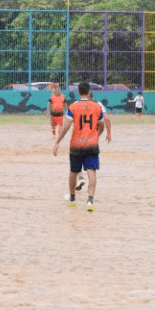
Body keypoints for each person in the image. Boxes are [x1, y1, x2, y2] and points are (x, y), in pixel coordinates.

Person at [53, 82, 105, 212]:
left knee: (74, 171)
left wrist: (57, 142)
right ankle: (90, 201)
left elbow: (66, 126)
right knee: (91, 171)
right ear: (89, 92)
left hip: (76, 144)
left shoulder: (73, 107)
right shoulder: (97, 107)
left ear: (78, 92)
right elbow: (102, 125)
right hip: (92, 144)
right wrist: (97, 135)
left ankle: (72, 199)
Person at [76, 94, 112, 191]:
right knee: (91, 163)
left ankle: (80, 178)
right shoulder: (98, 104)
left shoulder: (79, 103)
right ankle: (90, 192)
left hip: (80, 136)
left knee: (77, 158)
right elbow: (107, 119)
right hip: (93, 137)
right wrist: (108, 133)